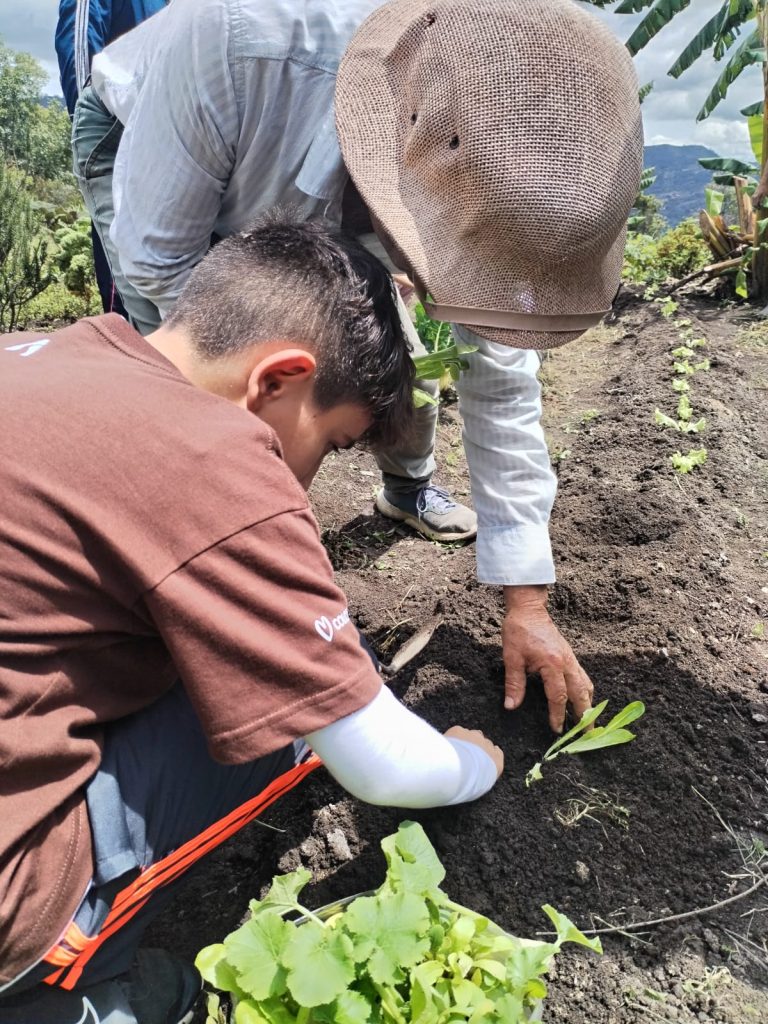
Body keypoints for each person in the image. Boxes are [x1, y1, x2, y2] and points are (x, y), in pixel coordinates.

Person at [72, 0, 642, 737]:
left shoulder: (491, 162)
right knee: (202, 398)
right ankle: (185, 582)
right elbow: (160, 262)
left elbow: (496, 376)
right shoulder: (243, 40)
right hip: (157, 138)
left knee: (392, 356)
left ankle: (406, 491)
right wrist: (258, 483)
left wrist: (525, 599)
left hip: (326, 157)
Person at [0, 218, 503, 1024]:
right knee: (293, 725)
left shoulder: (43, 352)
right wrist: (472, 760)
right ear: (279, 381)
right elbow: (386, 770)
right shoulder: (210, 454)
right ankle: (66, 984)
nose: (303, 481)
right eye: (332, 443)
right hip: (9, 887)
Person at [55, 0, 168, 317]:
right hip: (122, 150)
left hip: (176, 151)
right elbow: (79, 44)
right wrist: (94, 143)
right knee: (128, 293)